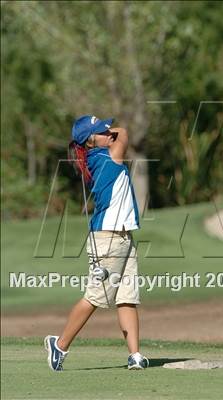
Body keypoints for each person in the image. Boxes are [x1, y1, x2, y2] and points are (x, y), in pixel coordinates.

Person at [44, 115, 149, 371]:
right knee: (95, 297)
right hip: (107, 239)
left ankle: (134, 355)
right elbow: (123, 131)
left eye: (107, 130)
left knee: (127, 297)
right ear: (91, 140)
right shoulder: (105, 159)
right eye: (102, 132)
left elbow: (115, 135)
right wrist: (109, 131)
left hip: (123, 237)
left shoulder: (99, 156)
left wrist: (97, 132)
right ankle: (60, 344)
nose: (109, 134)